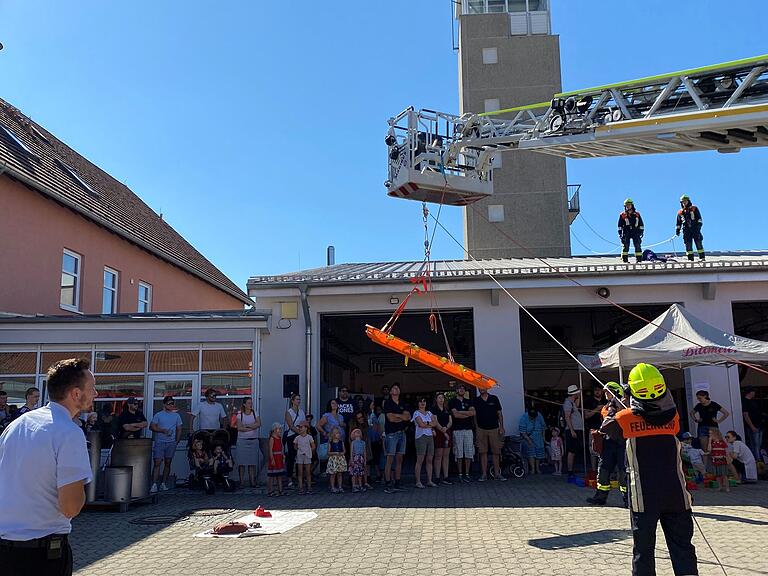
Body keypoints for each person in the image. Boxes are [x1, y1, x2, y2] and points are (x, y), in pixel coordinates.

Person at [0, 358, 97, 576]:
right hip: (42, 555)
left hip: (6, 550)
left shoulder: (17, 425)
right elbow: (70, 507)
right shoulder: (69, 433)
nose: (96, 394)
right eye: (92, 389)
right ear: (75, 394)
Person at [601, 363, 698, 576]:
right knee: (683, 549)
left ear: (633, 391)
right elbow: (654, 414)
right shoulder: (673, 417)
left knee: (643, 551)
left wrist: (616, 406)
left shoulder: (625, 419)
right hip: (677, 495)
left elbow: (607, 428)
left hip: (645, 498)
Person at [586, 382, 628, 507]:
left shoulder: (624, 404)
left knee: (623, 472)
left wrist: (619, 403)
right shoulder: (606, 407)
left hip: (622, 442)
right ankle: (600, 497)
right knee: (603, 470)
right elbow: (607, 420)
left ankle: (628, 500)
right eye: (605, 392)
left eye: (607, 392)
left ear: (615, 392)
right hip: (608, 442)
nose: (605, 394)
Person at [149, 395, 182, 493]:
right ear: (164, 404)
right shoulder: (159, 415)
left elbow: (179, 429)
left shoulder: (176, 416)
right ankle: (154, 484)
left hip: (171, 442)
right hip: (160, 442)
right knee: (157, 463)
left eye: (172, 403)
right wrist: (162, 430)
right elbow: (151, 427)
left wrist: (177, 441)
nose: (171, 405)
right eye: (169, 403)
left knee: (168, 463)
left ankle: (163, 483)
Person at [382, 383, 409, 493]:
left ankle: (397, 482)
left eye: (398, 387)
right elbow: (390, 418)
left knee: (399, 459)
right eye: (393, 388)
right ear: (390, 392)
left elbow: (407, 417)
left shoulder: (403, 403)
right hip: (391, 434)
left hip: (402, 433)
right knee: (390, 459)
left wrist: (397, 415)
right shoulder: (387, 403)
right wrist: (400, 416)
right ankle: (388, 483)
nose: (396, 389)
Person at [449, 383, 476, 483]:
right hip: (457, 430)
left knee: (469, 452)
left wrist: (461, 412)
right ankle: (460, 474)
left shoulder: (469, 401)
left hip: (468, 430)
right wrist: (466, 413)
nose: (461, 389)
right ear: (456, 390)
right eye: (459, 388)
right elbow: (455, 415)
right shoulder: (452, 401)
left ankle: (467, 474)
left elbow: (473, 413)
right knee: (459, 453)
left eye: (463, 388)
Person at [690, 390, 729, 457]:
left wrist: (719, 420)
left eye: (700, 398)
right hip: (702, 426)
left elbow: (726, 413)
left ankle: (718, 461)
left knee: (717, 446)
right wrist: (696, 420)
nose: (699, 400)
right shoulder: (699, 405)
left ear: (705, 396)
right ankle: (708, 464)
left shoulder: (714, 404)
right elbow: (691, 413)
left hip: (713, 427)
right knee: (704, 448)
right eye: (698, 398)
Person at [235, 397, 261, 488]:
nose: (250, 405)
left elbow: (258, 424)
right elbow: (239, 428)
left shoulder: (255, 413)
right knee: (242, 462)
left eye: (251, 403)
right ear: (244, 404)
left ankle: (252, 481)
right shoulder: (240, 415)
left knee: (252, 462)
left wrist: (247, 426)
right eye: (249, 403)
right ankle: (241, 482)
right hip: (242, 441)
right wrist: (252, 427)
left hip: (253, 440)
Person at [412, 397, 436, 488]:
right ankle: (418, 481)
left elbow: (435, 422)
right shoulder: (416, 413)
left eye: (424, 401)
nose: (422, 403)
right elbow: (420, 424)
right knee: (420, 460)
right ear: (417, 403)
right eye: (420, 402)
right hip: (420, 437)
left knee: (430, 459)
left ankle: (429, 480)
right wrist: (429, 424)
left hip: (430, 437)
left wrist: (426, 423)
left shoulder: (429, 413)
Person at [563, 384, 585, 480]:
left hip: (577, 429)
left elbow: (577, 405)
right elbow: (567, 417)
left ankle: (572, 470)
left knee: (574, 450)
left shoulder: (572, 402)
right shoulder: (567, 403)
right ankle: (570, 471)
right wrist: (572, 430)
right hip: (573, 430)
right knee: (571, 451)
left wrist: (579, 396)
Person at [284, 393, 305, 488]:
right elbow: (291, 425)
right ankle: (289, 478)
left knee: (300, 457)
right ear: (292, 401)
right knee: (291, 457)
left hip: (300, 436)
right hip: (292, 436)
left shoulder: (301, 411)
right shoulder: (289, 412)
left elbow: (303, 423)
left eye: (299, 399)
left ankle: (299, 477)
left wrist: (302, 432)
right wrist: (299, 432)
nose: (299, 401)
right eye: (297, 399)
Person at [675, 194, 705, 261]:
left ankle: (702, 257)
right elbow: (678, 223)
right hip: (686, 230)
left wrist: (698, 227)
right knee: (688, 245)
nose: (684, 203)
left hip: (695, 229)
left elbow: (699, 219)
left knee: (698, 242)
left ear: (688, 201)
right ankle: (690, 259)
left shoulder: (694, 208)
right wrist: (677, 230)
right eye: (682, 202)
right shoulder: (680, 212)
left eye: (685, 201)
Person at [432, 392, 453, 485]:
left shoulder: (446, 409)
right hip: (439, 433)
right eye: (439, 398)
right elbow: (435, 422)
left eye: (442, 398)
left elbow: (450, 421)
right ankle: (437, 477)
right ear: (436, 399)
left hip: (446, 431)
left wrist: (446, 428)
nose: (441, 399)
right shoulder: (434, 409)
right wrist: (443, 431)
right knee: (438, 455)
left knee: (446, 456)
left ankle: (446, 476)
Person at [583, 385, 606, 470]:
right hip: (593, 428)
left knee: (605, 449)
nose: (597, 392)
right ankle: (593, 470)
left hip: (605, 428)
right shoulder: (588, 401)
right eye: (595, 390)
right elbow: (586, 416)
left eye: (599, 390)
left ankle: (604, 468)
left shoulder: (606, 400)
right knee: (593, 449)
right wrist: (597, 409)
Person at [518, 404, 545, 475]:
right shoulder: (524, 418)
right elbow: (523, 432)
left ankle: (537, 468)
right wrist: (529, 440)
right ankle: (533, 469)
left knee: (539, 453)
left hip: (539, 438)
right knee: (531, 453)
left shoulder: (539, 415)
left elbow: (543, 427)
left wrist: (543, 438)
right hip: (529, 438)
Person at [741, 387, 765, 461]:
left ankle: (758, 458)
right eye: (753, 391)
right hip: (753, 426)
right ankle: (757, 460)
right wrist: (751, 426)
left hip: (759, 425)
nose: (754, 393)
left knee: (759, 444)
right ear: (749, 392)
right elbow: (745, 414)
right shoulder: (745, 401)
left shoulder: (753, 401)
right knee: (755, 444)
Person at [618, 198, 644, 263]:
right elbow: (620, 226)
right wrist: (620, 234)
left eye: (629, 205)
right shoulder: (622, 215)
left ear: (632, 205)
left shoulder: (637, 214)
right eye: (626, 205)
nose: (628, 206)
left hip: (635, 232)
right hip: (626, 231)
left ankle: (639, 260)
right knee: (626, 245)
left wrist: (641, 232)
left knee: (637, 245)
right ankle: (625, 260)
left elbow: (641, 224)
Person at [293, 422, 315, 494]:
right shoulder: (297, 438)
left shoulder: (309, 437)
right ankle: (301, 488)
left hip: (307, 456)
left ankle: (309, 487)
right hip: (300, 456)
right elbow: (295, 446)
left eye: (301, 427)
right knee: (300, 472)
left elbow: (313, 446)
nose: (300, 428)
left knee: (308, 472)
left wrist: (308, 451)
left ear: (306, 428)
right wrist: (300, 450)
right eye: (299, 427)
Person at [267, 423, 286, 496]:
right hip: (274, 457)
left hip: (279, 457)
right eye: (279, 429)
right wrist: (272, 459)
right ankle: (270, 491)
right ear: (274, 430)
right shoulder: (272, 438)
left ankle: (280, 490)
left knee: (279, 475)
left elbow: (281, 448)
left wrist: (283, 455)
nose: (280, 430)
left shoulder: (279, 438)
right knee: (272, 476)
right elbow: (270, 450)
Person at [327, 427, 347, 493]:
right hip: (333, 460)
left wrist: (342, 453)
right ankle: (332, 487)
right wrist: (335, 453)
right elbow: (328, 452)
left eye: (339, 433)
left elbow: (344, 451)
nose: (338, 434)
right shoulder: (330, 443)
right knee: (333, 474)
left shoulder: (341, 442)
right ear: (333, 434)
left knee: (340, 473)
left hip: (340, 459)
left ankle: (340, 486)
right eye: (337, 433)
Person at [708, 428, 729, 493]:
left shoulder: (722, 442)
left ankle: (727, 487)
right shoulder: (712, 443)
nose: (710, 435)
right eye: (709, 433)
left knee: (724, 474)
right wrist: (709, 440)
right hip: (715, 460)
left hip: (722, 459)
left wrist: (728, 458)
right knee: (717, 475)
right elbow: (709, 450)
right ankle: (720, 486)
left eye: (711, 433)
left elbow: (726, 451)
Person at [367, 403, 383, 482]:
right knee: (369, 457)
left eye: (374, 405)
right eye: (371, 405)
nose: (372, 406)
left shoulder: (378, 415)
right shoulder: (366, 415)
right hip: (368, 439)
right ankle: (368, 475)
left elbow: (378, 426)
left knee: (377, 458)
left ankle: (378, 474)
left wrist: (380, 436)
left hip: (376, 439)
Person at [348, 428, 367, 492]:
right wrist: (351, 459)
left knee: (360, 473)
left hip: (361, 458)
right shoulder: (353, 442)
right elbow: (351, 451)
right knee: (354, 473)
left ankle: (360, 485)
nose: (358, 432)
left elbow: (364, 452)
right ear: (353, 434)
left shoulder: (363, 443)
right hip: (355, 458)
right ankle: (354, 486)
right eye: (356, 432)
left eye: (359, 431)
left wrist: (365, 460)